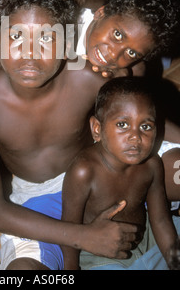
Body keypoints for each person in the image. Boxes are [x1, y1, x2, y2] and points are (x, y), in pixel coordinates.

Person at [0, 0, 180, 271]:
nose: (30, 52)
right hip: (35, 201)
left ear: (66, 43)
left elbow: (143, 116)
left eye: (45, 39)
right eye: (16, 37)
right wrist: (83, 236)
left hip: (95, 182)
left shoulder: (90, 77)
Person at [62, 77, 180, 270]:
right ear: (97, 129)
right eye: (123, 124)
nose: (136, 136)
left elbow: (159, 219)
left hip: (148, 237)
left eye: (146, 126)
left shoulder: (151, 164)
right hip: (101, 255)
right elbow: (70, 228)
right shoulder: (84, 171)